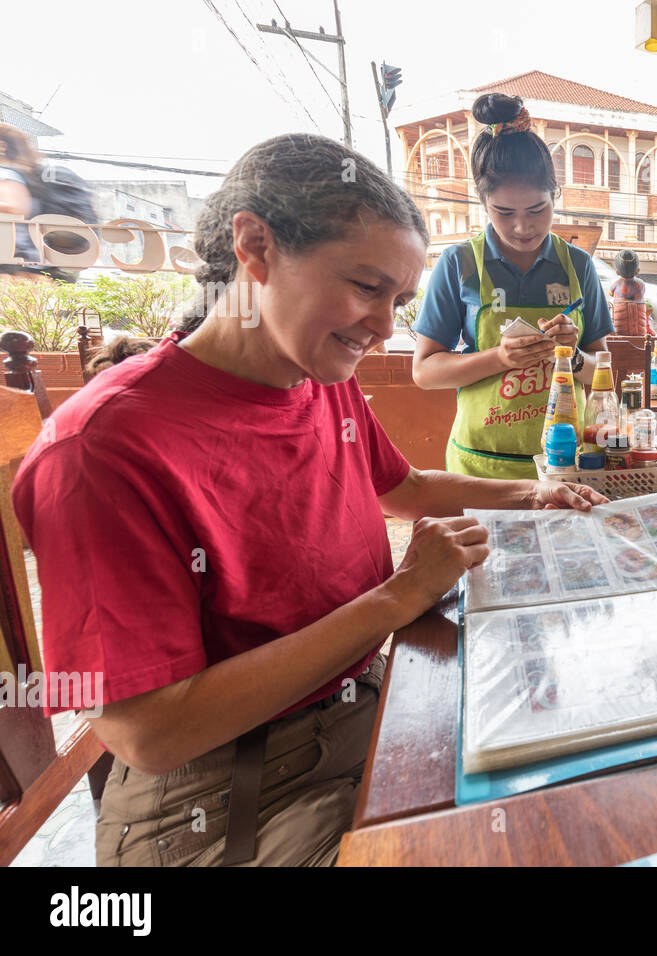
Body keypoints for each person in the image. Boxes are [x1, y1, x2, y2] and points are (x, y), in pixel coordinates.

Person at [12, 133, 607, 867]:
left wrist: (534, 493)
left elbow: (404, 490)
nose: (387, 326)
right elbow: (150, 733)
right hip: (226, 790)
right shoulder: (101, 450)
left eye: (399, 300)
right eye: (365, 288)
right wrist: (396, 599)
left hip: (363, 703)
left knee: (578, 770)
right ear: (255, 247)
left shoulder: (318, 375)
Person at [412, 93, 614, 479]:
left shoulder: (577, 266)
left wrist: (570, 356)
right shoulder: (460, 263)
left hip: (564, 468)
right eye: (504, 213)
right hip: (479, 468)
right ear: (483, 203)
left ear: (555, 195)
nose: (523, 227)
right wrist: (500, 359)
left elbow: (602, 371)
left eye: (538, 210)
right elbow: (424, 371)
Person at [0, 123, 44, 279]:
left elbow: (15, 206)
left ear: (2, 146)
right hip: (21, 261)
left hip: (12, 261)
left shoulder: (5, 173)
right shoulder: (24, 174)